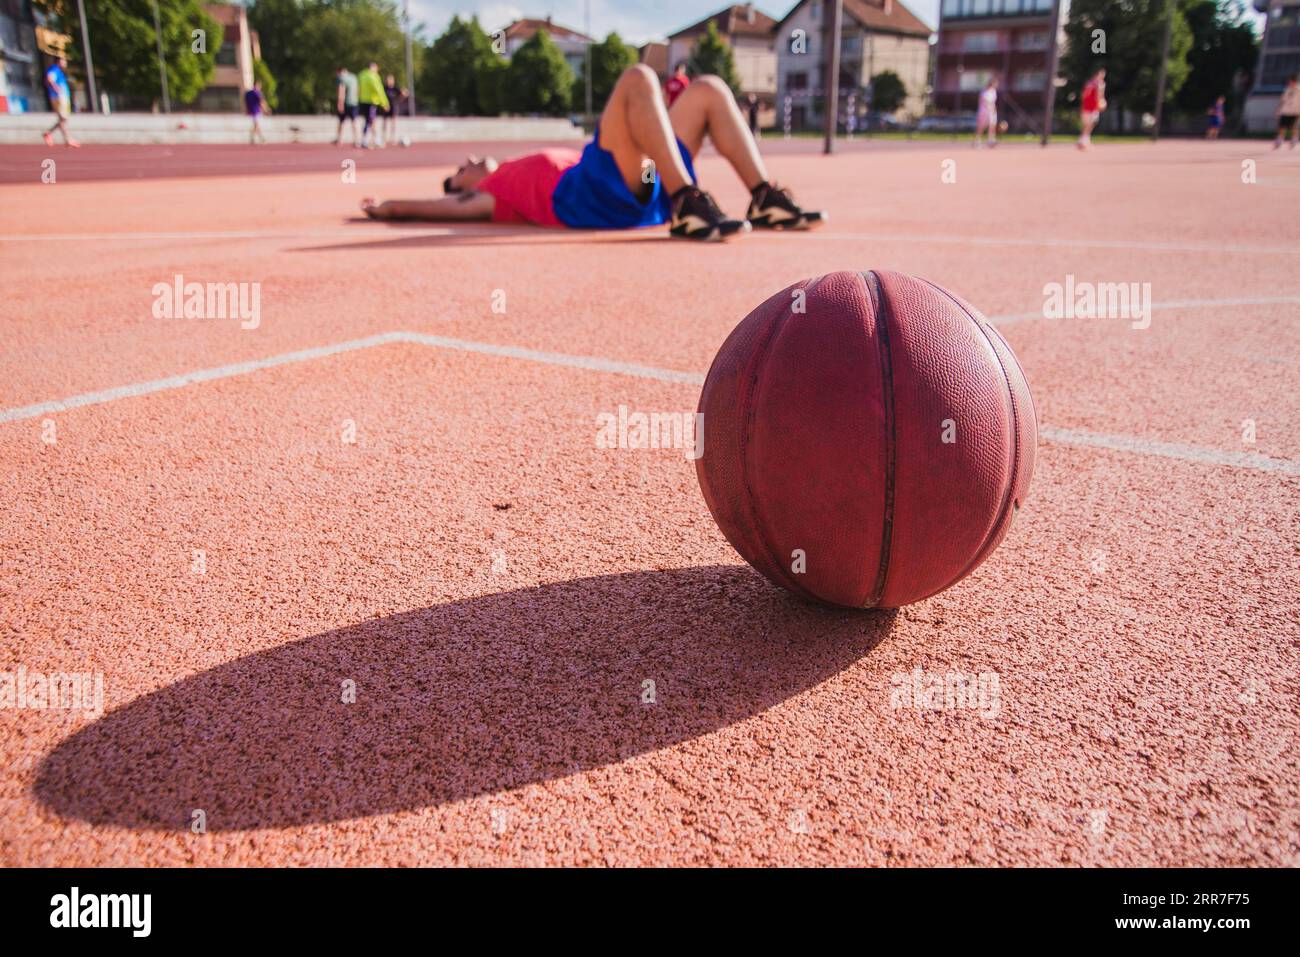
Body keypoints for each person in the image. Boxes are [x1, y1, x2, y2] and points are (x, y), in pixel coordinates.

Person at [360, 65, 824, 242]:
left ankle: (762, 196)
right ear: (462, 184)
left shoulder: (513, 170)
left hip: (640, 179)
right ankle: (687, 204)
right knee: (637, 78)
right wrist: (389, 209)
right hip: (599, 192)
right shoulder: (490, 194)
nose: (472, 161)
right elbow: (444, 208)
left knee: (706, 88)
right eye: (461, 169)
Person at [42, 56, 79, 148]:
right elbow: (49, 79)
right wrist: (56, 88)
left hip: (59, 97)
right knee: (63, 118)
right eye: (64, 61)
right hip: (59, 97)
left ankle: (60, 137)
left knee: (62, 119)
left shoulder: (58, 71)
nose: (65, 63)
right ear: (59, 61)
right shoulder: (54, 69)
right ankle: (64, 138)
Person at [358, 62, 389, 149]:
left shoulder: (362, 75)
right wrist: (384, 103)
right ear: (373, 68)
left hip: (363, 100)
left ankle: (370, 139)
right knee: (370, 120)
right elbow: (379, 90)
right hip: (372, 101)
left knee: (369, 120)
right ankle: (369, 140)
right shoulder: (373, 76)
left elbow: (359, 88)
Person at [1078, 68, 1107, 150]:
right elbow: (1099, 95)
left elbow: (1083, 95)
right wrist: (1101, 103)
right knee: (1090, 124)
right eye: (1101, 74)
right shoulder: (1100, 84)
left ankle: (1084, 140)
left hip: (1086, 107)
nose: (1102, 76)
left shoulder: (1089, 83)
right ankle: (1083, 141)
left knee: (1087, 125)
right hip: (1092, 107)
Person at [333, 67, 360, 147]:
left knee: (341, 121)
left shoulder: (342, 79)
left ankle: (339, 139)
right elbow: (358, 89)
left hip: (346, 103)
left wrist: (340, 104)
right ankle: (357, 140)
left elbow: (342, 91)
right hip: (354, 102)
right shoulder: (354, 77)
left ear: (339, 72)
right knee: (354, 121)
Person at [1275, 75, 1299, 150]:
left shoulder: (1298, 89)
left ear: (1294, 81)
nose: (1289, 83)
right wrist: (1278, 109)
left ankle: (1294, 139)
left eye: (1291, 81)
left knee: (1293, 127)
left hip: (1295, 111)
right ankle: (1280, 140)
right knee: (1282, 126)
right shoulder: (1287, 89)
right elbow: (1283, 100)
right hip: (1285, 110)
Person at [973, 76, 998, 148]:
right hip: (984, 111)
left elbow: (993, 102)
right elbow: (983, 101)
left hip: (992, 111)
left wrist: (993, 109)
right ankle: (977, 140)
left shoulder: (994, 91)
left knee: (992, 125)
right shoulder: (984, 91)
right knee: (981, 126)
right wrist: (988, 107)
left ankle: (991, 140)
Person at [382, 73, 405, 148]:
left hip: (394, 107)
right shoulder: (384, 88)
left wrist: (399, 100)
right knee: (385, 122)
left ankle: (392, 138)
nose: (389, 81)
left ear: (393, 81)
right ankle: (384, 138)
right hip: (386, 107)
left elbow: (404, 93)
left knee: (393, 122)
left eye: (390, 80)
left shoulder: (396, 89)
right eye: (388, 80)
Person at [245, 80, 269, 145]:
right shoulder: (257, 92)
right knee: (256, 124)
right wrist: (266, 109)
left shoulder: (248, 93)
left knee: (256, 125)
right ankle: (261, 138)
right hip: (256, 111)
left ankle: (253, 138)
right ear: (257, 85)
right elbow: (261, 101)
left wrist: (247, 110)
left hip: (251, 111)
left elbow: (246, 103)